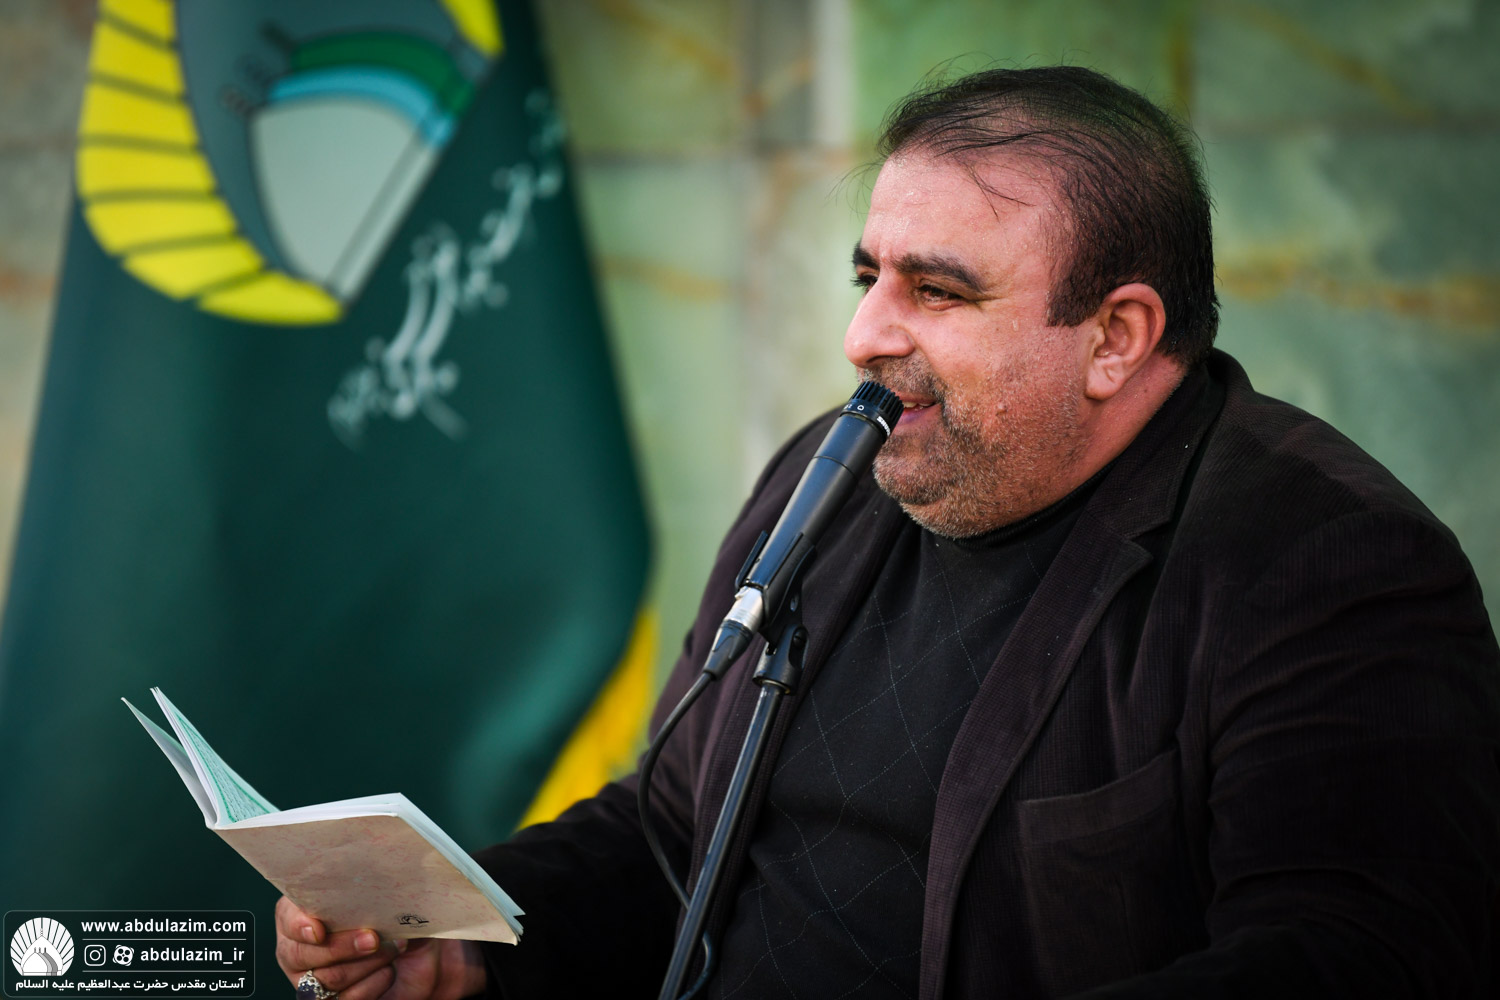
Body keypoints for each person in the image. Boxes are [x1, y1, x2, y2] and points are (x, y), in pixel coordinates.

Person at [275, 66, 1500, 999]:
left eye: (939, 290)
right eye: (869, 277)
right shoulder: (830, 474)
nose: (865, 334)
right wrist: (465, 939)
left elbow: (1354, 957)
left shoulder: (1327, 562)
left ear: (1116, 338)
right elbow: (672, 832)